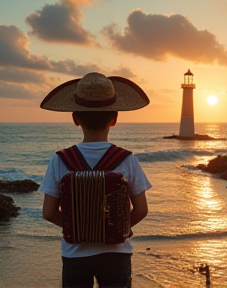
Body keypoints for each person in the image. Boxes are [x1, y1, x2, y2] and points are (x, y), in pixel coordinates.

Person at [39, 72, 152, 288]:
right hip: (116, 255)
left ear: (75, 119)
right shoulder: (127, 159)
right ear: (115, 118)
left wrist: (78, 230)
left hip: (74, 255)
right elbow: (141, 209)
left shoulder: (59, 160)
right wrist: (115, 231)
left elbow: (49, 212)